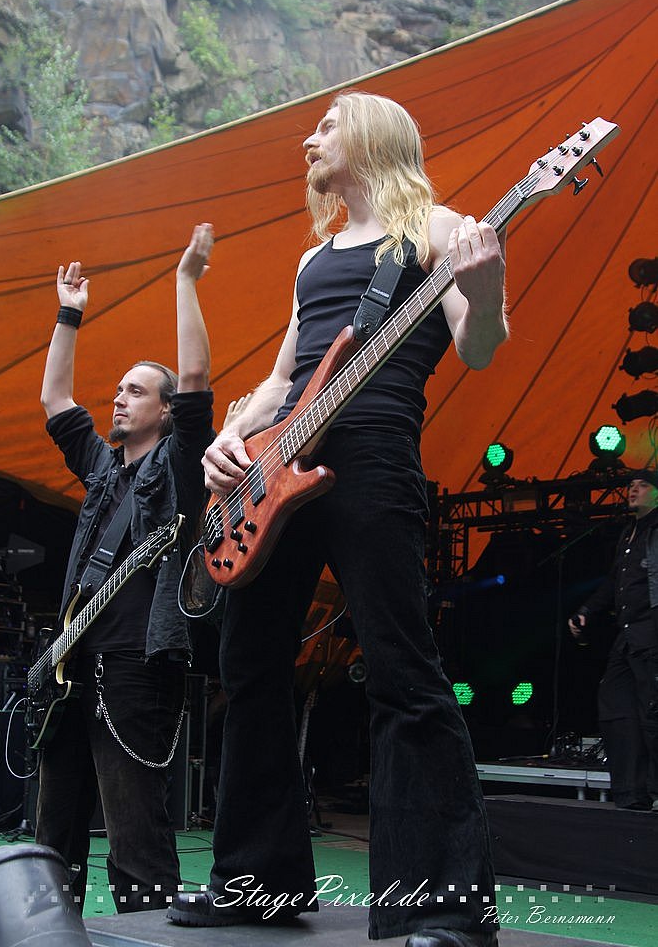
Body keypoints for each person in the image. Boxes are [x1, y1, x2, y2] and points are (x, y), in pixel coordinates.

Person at [168, 91, 507, 947]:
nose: (307, 141)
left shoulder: (436, 229)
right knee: (249, 669)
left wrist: (485, 286)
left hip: (375, 460)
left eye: (325, 128)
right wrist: (230, 438)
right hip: (274, 472)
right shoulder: (312, 259)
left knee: (400, 667)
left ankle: (442, 909)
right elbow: (285, 379)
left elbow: (477, 348)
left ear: (371, 138)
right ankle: (256, 885)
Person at [35, 224, 215, 913]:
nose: (118, 398)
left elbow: (194, 382)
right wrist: (69, 315)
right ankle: (46, 926)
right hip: (72, 665)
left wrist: (185, 281)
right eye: (117, 389)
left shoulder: (179, 466)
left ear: (164, 412)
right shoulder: (104, 468)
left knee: (134, 829)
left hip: (137, 664)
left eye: (135, 391)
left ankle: (147, 927)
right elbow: (56, 402)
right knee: (54, 830)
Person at [569, 469, 658, 811]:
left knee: (652, 712)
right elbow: (613, 582)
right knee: (617, 707)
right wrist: (587, 611)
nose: (633, 490)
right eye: (631, 485)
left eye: (643, 485)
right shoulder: (628, 532)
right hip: (628, 635)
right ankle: (630, 790)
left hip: (650, 634)